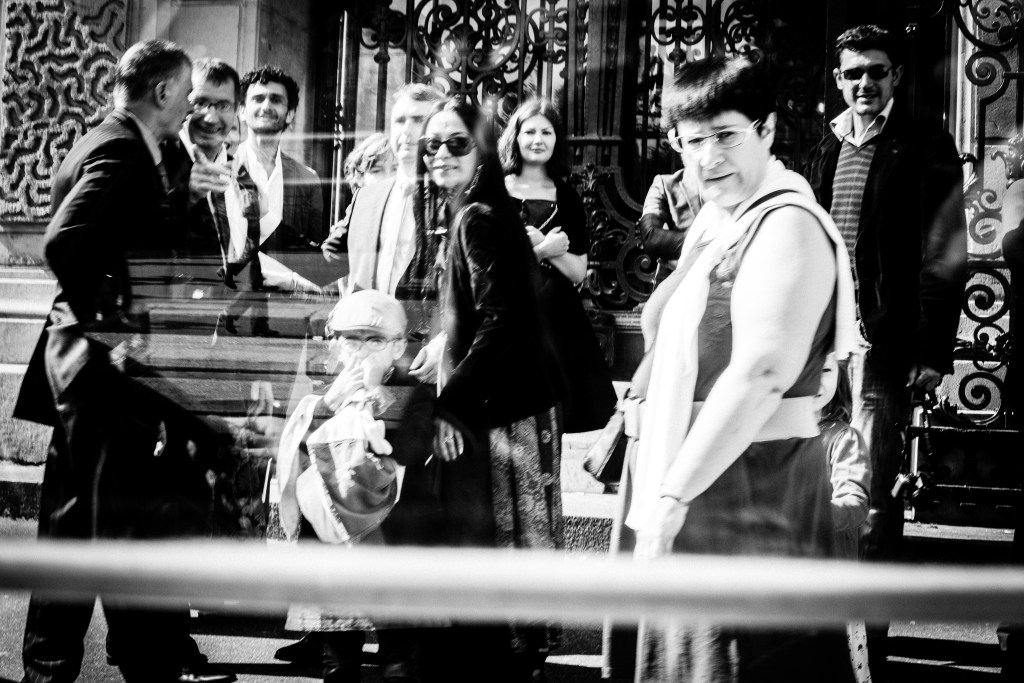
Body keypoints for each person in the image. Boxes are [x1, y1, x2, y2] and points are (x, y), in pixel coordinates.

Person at [627, 55, 857, 681]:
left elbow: (761, 373)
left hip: (752, 487)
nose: (707, 157)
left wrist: (673, 494)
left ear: (768, 129)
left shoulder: (787, 224)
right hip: (703, 473)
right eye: (691, 141)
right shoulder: (719, 220)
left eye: (726, 135)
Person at [10, 39, 216, 683]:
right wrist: (116, 331)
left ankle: (53, 668)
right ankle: (142, 664)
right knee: (117, 519)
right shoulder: (122, 149)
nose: (191, 105)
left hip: (84, 366)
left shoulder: (120, 141)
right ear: (162, 90)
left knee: (76, 520)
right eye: (187, 93)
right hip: (100, 369)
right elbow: (64, 243)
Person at [802, 24, 967, 677]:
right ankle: (821, 640)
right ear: (838, 80)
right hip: (819, 349)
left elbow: (943, 252)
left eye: (876, 71)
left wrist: (932, 350)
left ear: (896, 75)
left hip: (881, 349)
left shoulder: (925, 144)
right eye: (853, 73)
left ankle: (868, 650)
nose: (865, 83)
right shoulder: (826, 145)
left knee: (869, 499)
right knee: (816, 489)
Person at [416, 98, 567, 682]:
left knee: (504, 544)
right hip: (510, 396)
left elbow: (500, 318)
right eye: (432, 144)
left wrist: (449, 404)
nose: (441, 154)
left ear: (481, 149)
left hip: (507, 406)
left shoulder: (477, 215)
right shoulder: (480, 208)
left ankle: (511, 661)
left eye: (456, 143)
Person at [276, 289, 438, 682]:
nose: (362, 349)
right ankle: (339, 662)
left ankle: (396, 661)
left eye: (375, 339)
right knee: (339, 637)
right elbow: (299, 451)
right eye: (351, 338)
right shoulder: (326, 389)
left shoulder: (414, 388)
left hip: (392, 524)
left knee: (398, 646)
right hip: (333, 523)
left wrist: (377, 405)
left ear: (397, 345)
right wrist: (329, 406)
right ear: (335, 343)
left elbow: (414, 447)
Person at [498, 98, 616, 433]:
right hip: (505, 317)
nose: (538, 139)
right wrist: (540, 249)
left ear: (556, 140)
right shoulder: (495, 191)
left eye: (546, 132)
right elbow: (490, 265)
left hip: (557, 324)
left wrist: (550, 251)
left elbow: (578, 271)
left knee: (551, 420)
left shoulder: (567, 197)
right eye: (530, 131)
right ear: (515, 137)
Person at [322, 85, 447, 345]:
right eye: (399, 120)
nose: (406, 130)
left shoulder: (455, 198)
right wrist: (262, 220)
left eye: (418, 120)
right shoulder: (365, 198)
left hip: (426, 352)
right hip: (365, 348)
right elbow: (324, 267)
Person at [816, 353, 872, 683]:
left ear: (840, 379)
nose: (814, 379)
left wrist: (809, 514)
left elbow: (855, 504)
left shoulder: (844, 439)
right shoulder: (770, 434)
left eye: (824, 370)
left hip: (831, 581)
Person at [638, 164, 702, 284]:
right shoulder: (663, 184)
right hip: (676, 285)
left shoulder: (734, 182)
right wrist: (710, 249)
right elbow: (651, 236)